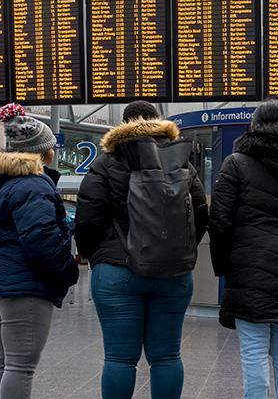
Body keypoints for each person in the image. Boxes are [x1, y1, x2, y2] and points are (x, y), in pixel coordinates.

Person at [75, 100, 209, 399]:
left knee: (120, 358)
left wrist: (95, 256)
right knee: (167, 356)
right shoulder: (180, 161)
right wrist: (179, 250)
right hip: (173, 272)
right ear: (157, 121)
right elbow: (200, 213)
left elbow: (87, 215)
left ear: (122, 125)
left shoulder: (106, 162)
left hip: (117, 270)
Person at [208, 100, 278, 399]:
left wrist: (225, 263)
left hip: (248, 270)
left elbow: (219, 221)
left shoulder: (235, 163)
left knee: (254, 348)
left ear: (253, 126)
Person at [0, 103, 79, 399]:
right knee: (20, 366)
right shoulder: (33, 186)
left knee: (3, 362)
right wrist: (68, 270)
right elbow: (41, 239)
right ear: (42, 152)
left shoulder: (1, 183)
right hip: (25, 284)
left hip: (1, 278)